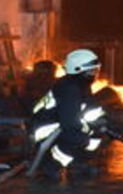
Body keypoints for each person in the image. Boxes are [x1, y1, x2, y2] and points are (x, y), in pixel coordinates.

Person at [29, 48, 108, 180]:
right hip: (43, 129)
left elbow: (92, 107)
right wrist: (84, 135)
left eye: (96, 70)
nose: (94, 74)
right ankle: (51, 165)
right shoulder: (69, 89)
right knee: (77, 138)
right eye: (91, 71)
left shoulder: (80, 84)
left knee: (95, 133)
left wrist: (105, 124)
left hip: (58, 124)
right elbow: (69, 122)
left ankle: (78, 163)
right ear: (78, 70)